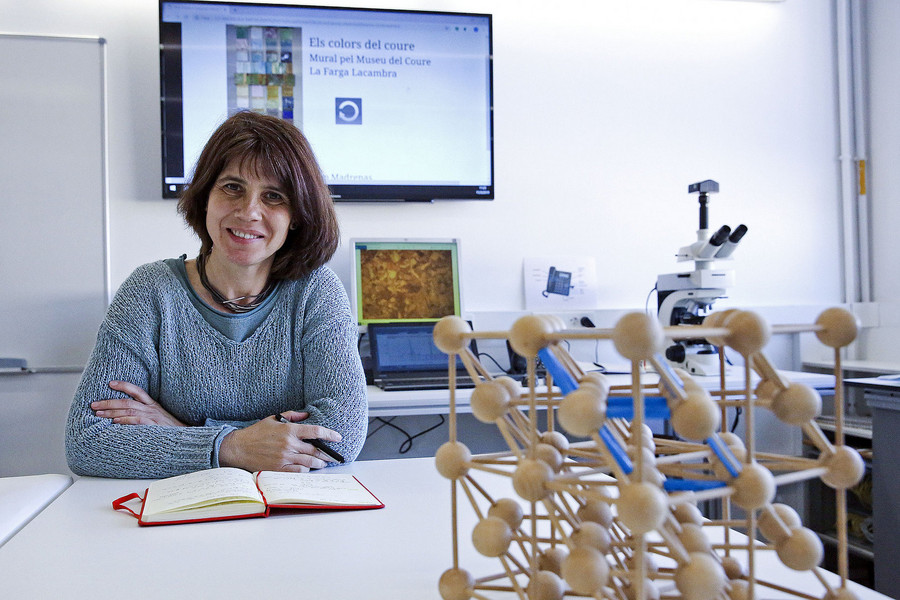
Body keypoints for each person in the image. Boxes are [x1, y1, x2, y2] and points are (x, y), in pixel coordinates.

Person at [66, 111, 367, 479]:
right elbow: (87, 440)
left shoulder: (317, 291)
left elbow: (342, 436)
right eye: (232, 187)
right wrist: (230, 446)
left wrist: (181, 432)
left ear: (298, 215)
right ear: (205, 196)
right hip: (181, 515)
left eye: (273, 196)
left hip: (290, 516)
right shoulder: (148, 292)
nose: (248, 212)